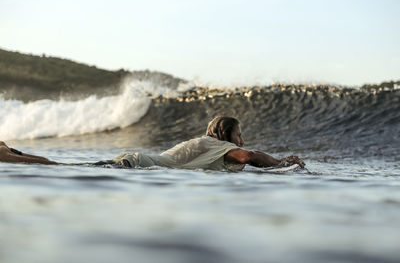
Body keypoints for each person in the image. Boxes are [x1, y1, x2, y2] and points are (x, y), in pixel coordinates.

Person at [0, 116, 305, 171]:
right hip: (139, 165)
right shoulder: (218, 146)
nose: (243, 139)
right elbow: (248, 157)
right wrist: (282, 162)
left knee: (67, 166)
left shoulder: (203, 142)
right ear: (227, 135)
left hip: (137, 159)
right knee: (61, 166)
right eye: (239, 134)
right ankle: (10, 156)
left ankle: (13, 152)